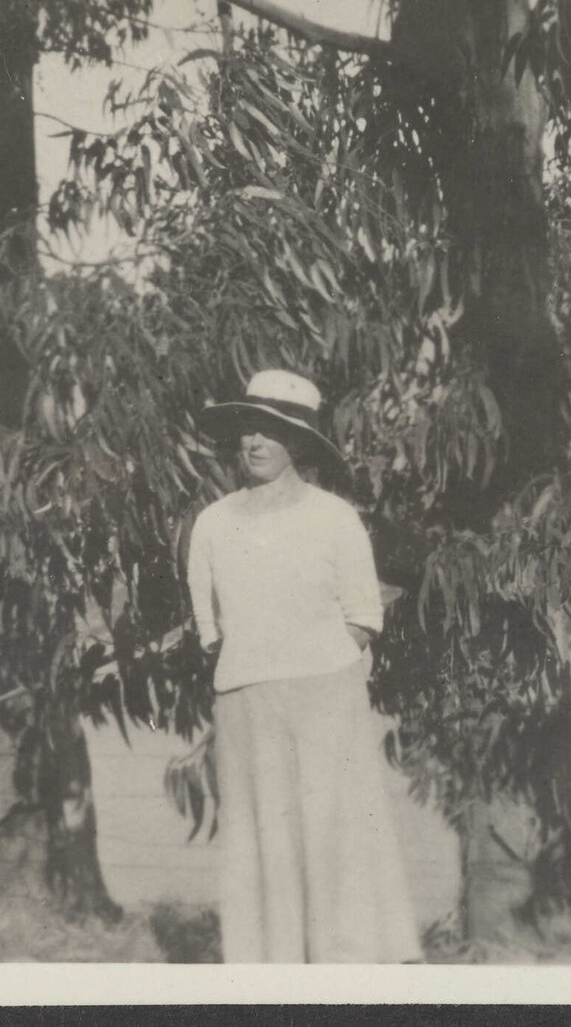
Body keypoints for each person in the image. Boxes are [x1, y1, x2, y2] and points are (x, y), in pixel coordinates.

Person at [185, 369, 422, 964]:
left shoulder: (333, 517)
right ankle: (271, 973)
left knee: (331, 833)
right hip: (246, 702)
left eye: (271, 430)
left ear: (299, 443)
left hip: (326, 700)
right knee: (261, 839)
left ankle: (344, 973)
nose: (254, 442)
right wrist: (261, 663)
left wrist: (317, 665)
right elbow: (210, 629)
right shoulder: (213, 523)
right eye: (247, 429)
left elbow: (363, 616)